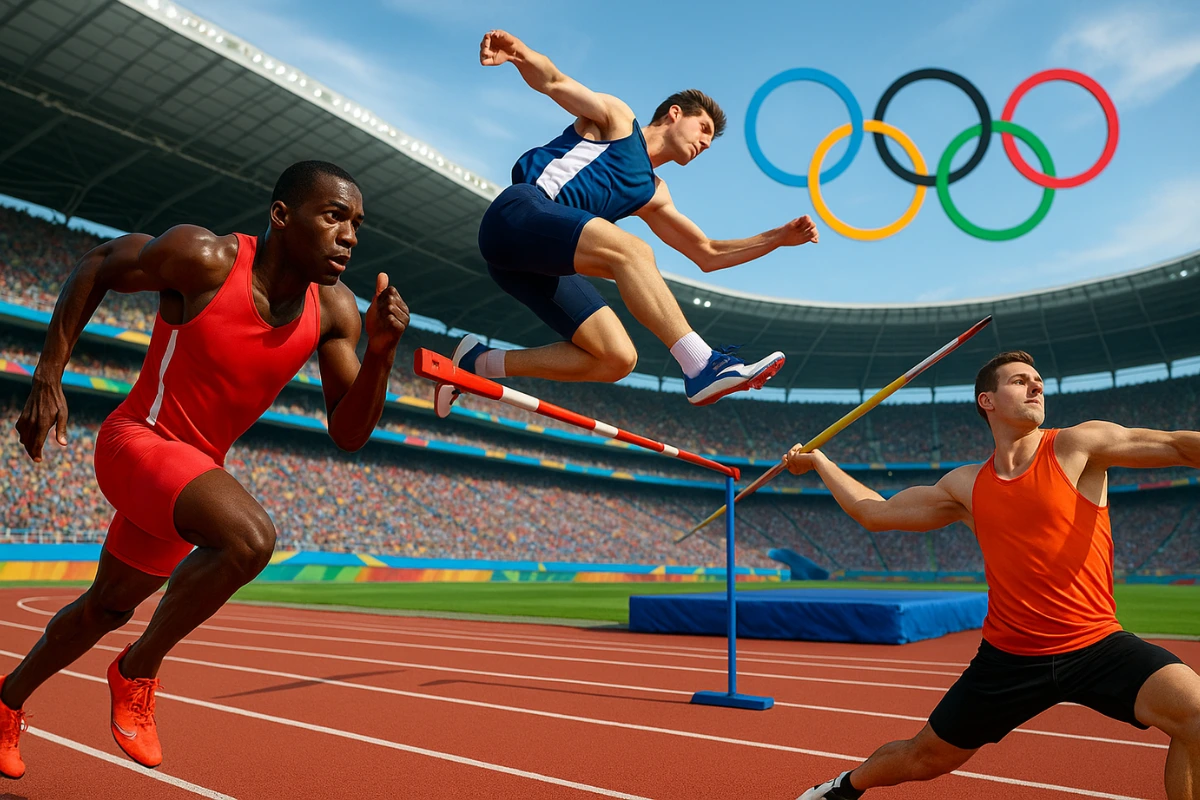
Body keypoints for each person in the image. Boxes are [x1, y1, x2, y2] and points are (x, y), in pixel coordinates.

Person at [0, 161, 410, 777]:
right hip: (137, 442)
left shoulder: (335, 313)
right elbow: (100, 262)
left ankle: (6, 703)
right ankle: (136, 671)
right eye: (334, 217)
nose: (350, 235)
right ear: (281, 216)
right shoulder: (206, 258)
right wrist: (48, 374)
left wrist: (380, 353)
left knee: (105, 608)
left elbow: (348, 432)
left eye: (357, 224)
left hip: (188, 474)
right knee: (251, 539)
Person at [789, 351, 1200, 800]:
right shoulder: (965, 485)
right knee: (924, 758)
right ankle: (842, 787)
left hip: (1095, 645)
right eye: (1021, 381)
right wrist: (820, 463)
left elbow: (1178, 446)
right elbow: (876, 513)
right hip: (1008, 658)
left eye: (1039, 380)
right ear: (987, 400)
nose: (1037, 387)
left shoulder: (1078, 444)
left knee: (1194, 716)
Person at [434, 29, 819, 417]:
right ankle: (701, 365)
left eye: (711, 141)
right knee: (633, 251)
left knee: (617, 358)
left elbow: (707, 253)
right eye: (703, 128)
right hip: (518, 214)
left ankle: (478, 363)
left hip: (534, 264)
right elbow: (555, 81)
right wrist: (519, 53)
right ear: (675, 113)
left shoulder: (654, 192)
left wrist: (778, 238)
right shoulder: (619, 121)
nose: (706, 143)